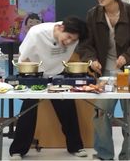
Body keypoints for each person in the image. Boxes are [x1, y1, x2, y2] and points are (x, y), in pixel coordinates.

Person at [77, 0, 130, 160]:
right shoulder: (93, 14)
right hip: (105, 75)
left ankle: (129, 155)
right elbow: (85, 44)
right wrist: (92, 59)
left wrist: (126, 57)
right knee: (100, 114)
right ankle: (104, 155)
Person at [9, 16, 88, 160]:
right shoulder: (36, 32)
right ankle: (18, 150)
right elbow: (23, 57)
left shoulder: (73, 35)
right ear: (59, 28)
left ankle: (76, 146)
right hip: (34, 74)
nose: (69, 42)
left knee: (68, 108)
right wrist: (27, 79)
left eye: (73, 40)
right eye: (68, 37)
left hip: (57, 73)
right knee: (28, 110)